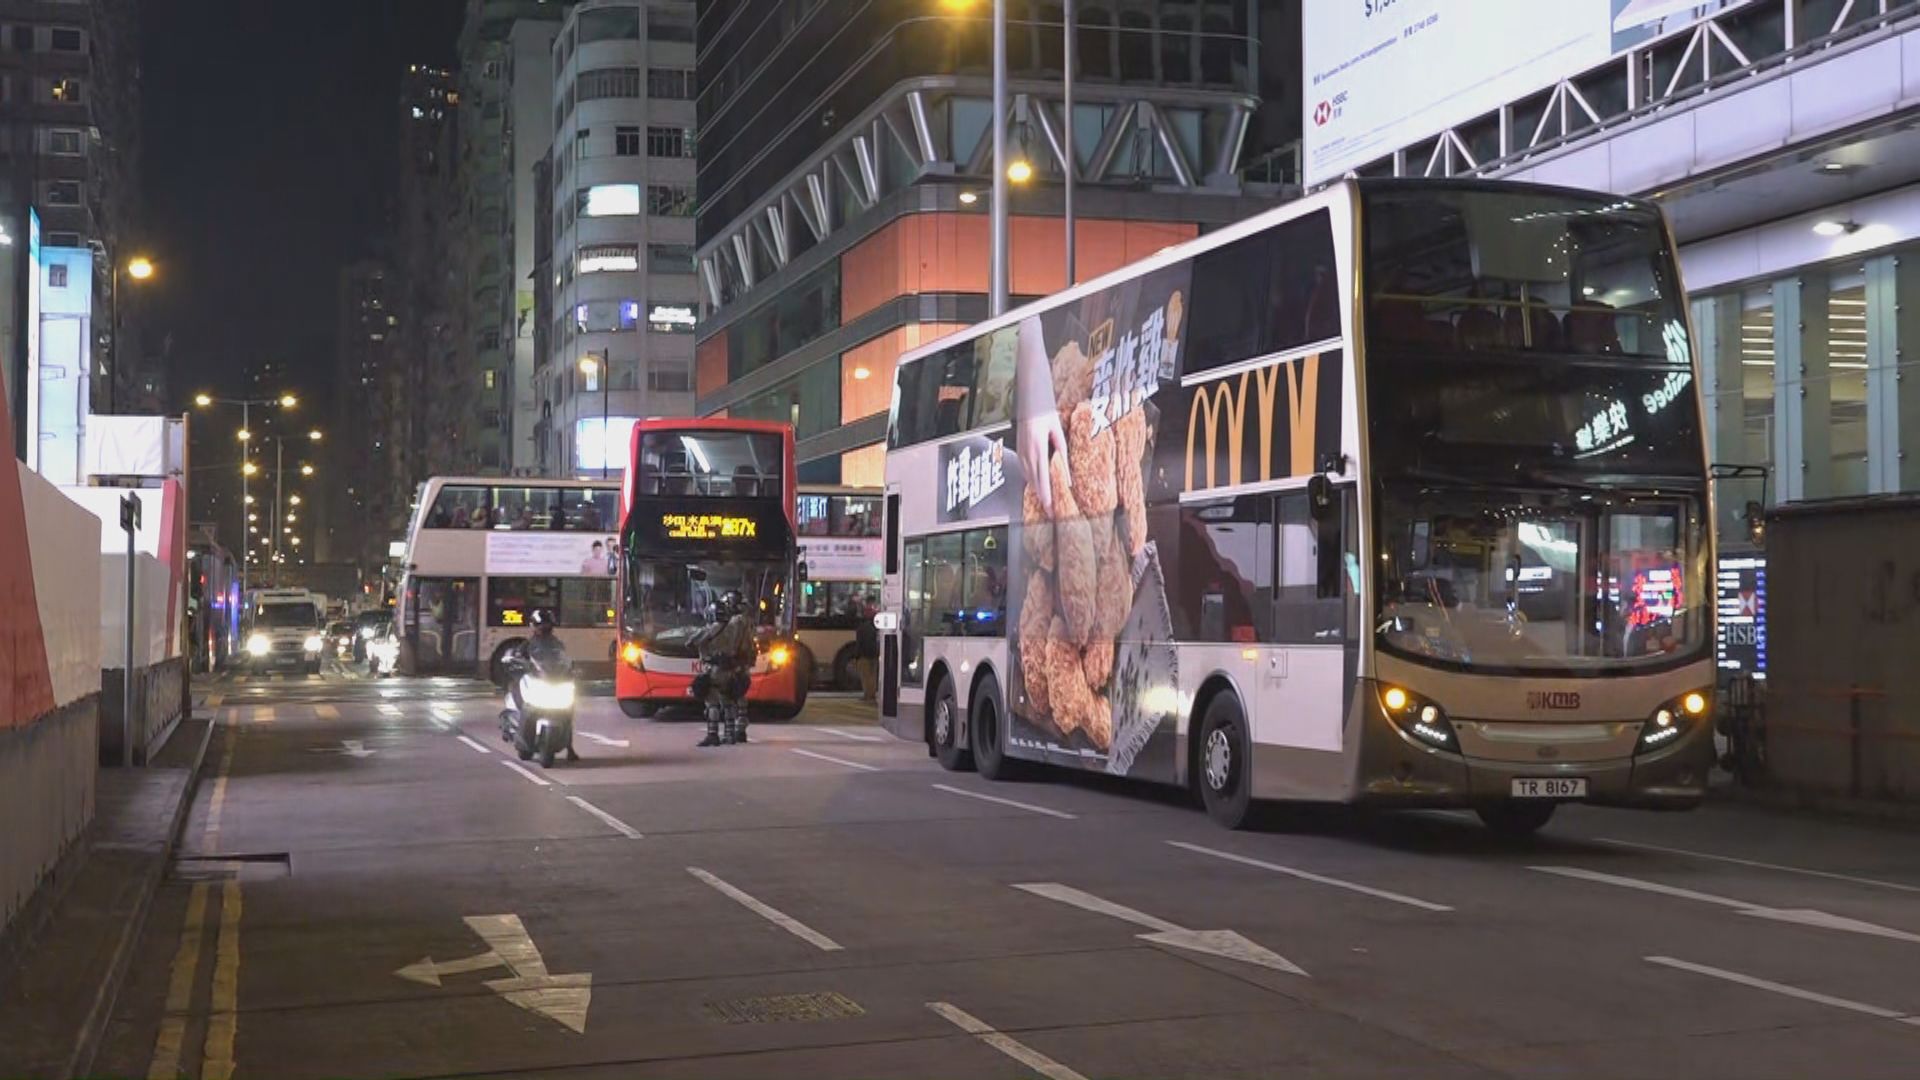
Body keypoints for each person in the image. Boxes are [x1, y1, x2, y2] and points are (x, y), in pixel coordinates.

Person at [689, 591, 756, 747]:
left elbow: (691, 641)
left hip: (716, 668)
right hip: (734, 665)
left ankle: (713, 734)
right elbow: (748, 645)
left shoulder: (729, 625)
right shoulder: (743, 622)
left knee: (712, 701)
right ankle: (733, 732)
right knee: (731, 699)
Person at [853, 598, 879, 704]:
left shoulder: (862, 627)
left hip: (864, 655)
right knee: (872, 675)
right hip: (874, 654)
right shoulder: (875, 626)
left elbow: (860, 643)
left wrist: (856, 656)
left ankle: (867, 695)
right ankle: (872, 694)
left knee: (865, 676)